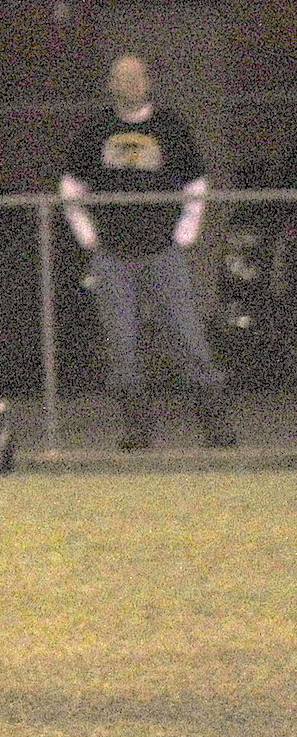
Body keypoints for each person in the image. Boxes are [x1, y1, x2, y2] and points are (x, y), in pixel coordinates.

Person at [60, 54, 236, 449]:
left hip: (161, 252)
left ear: (148, 82)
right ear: (110, 84)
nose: (132, 84)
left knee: (188, 335)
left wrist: (184, 235)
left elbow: (196, 186)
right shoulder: (95, 130)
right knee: (121, 342)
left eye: (138, 77)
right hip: (112, 255)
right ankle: (137, 429)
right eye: (123, 78)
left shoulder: (170, 127)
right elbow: (71, 189)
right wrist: (89, 238)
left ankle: (215, 424)